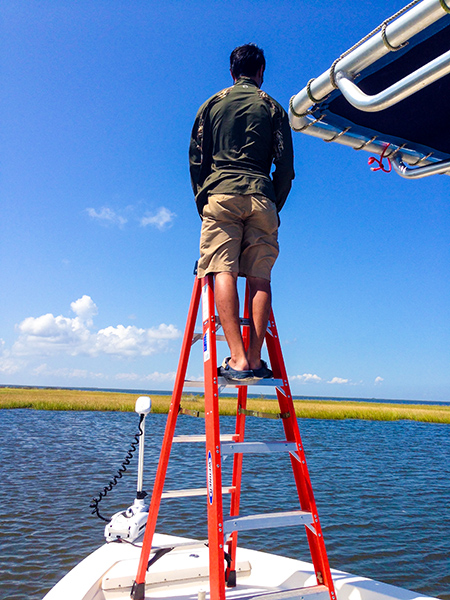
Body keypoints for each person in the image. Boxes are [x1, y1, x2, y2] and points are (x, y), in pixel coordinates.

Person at [189, 43, 294, 382]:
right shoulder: (273, 107)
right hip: (262, 195)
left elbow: (197, 159)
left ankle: (236, 359)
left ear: (232, 72)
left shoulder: (212, 104)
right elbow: (286, 166)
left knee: (223, 270)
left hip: (220, 194)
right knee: (261, 277)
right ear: (261, 72)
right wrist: (273, 204)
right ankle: (254, 357)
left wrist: (203, 199)